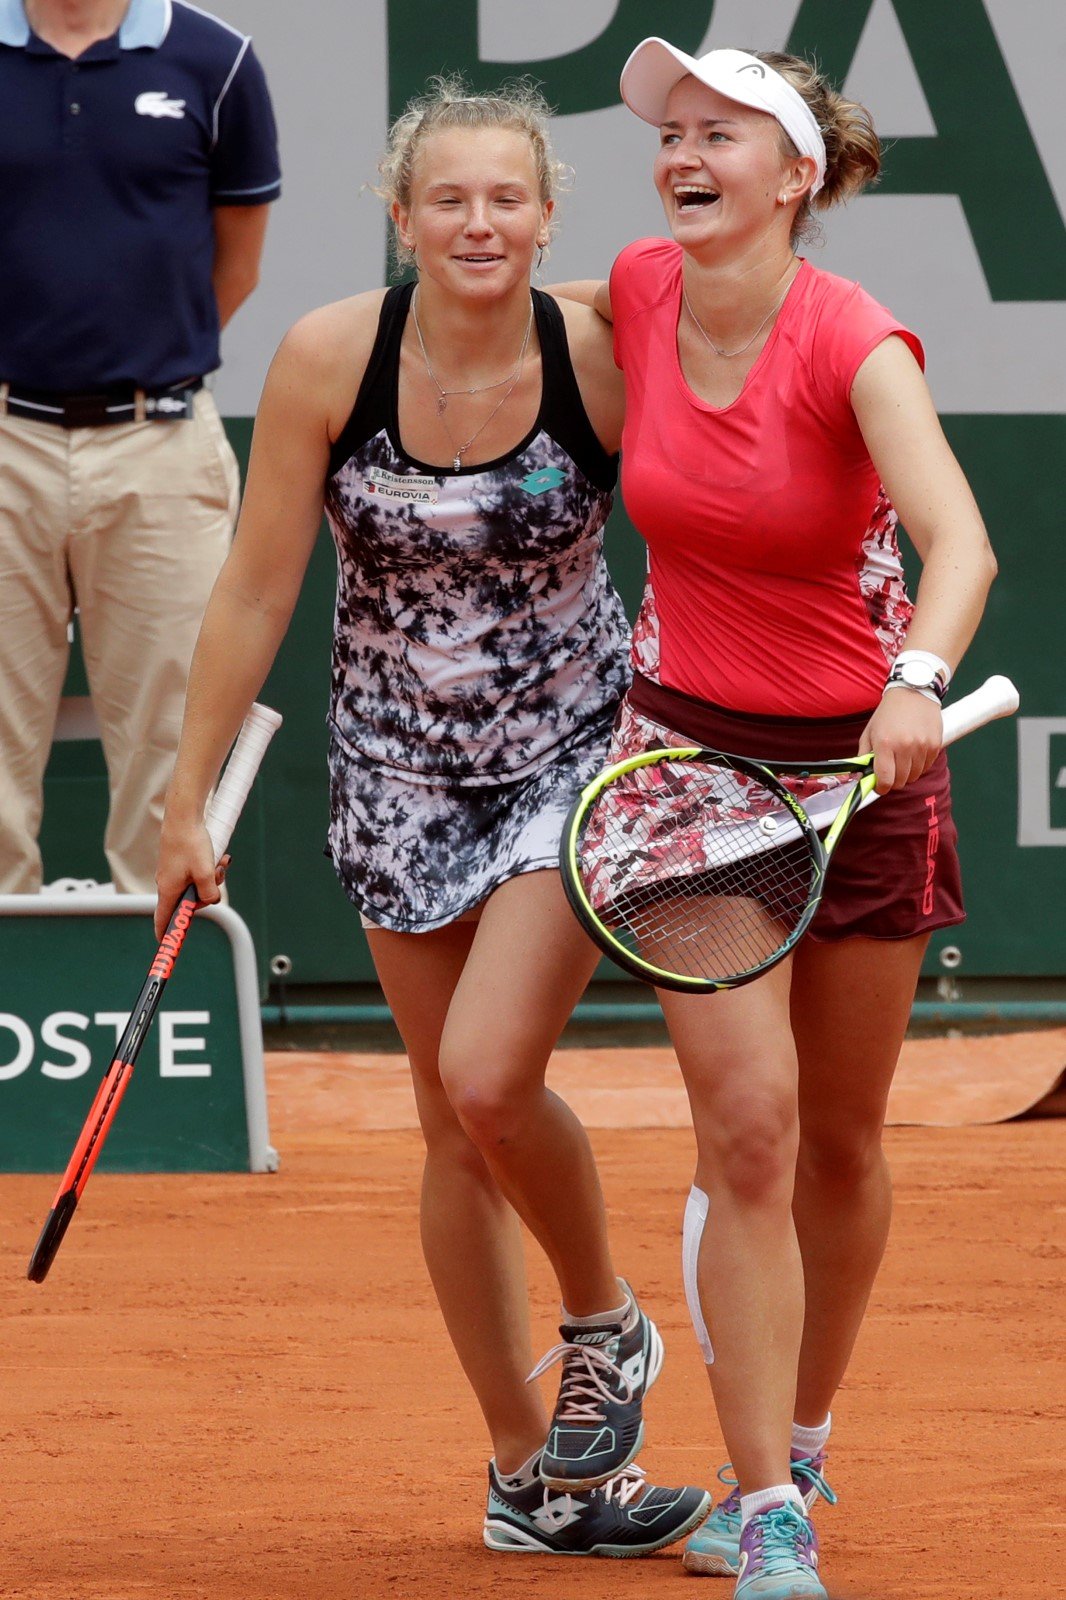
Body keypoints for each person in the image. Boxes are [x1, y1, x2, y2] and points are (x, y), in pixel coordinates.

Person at [154, 79, 711, 1558]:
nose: (478, 222)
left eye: (506, 199)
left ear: (545, 217)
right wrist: (186, 794)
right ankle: (532, 1479)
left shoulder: (598, 349)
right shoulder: (331, 355)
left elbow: (727, 484)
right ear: (399, 217)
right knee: (454, 1130)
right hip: (390, 778)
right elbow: (258, 586)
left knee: (484, 1073)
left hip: (569, 759)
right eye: (447, 199)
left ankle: (603, 1318)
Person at [555, 39, 997, 1600]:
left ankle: (802, 1434)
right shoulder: (637, 285)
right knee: (745, 1130)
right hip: (686, 771)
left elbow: (959, 542)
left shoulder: (855, 340)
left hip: (861, 767)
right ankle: (766, 1510)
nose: (681, 154)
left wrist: (917, 681)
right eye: (669, 135)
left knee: (840, 1141)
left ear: (796, 174)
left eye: (719, 134)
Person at [0, 0, 280, 893]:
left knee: (175, 765)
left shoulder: (217, 60)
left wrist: (140, 368)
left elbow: (234, 267)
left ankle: (149, 1022)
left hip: (160, 439)